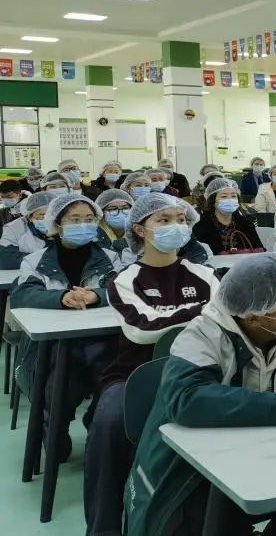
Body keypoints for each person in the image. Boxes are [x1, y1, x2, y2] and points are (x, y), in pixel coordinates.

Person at [124, 254, 276, 536]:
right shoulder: (203, 335)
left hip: (267, 450)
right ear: (254, 316)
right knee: (208, 518)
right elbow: (186, 399)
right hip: (190, 473)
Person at [86, 193, 217, 536]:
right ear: (140, 229)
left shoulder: (204, 274)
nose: (176, 226)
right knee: (109, 422)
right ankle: (104, 526)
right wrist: (201, 311)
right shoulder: (124, 280)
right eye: (164, 220)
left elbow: (222, 319)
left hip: (197, 371)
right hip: (135, 374)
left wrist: (193, 314)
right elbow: (143, 329)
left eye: (181, 220)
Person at [12, 193, 123, 460]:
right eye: (75, 219)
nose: (83, 224)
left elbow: (123, 289)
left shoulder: (110, 258)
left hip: (103, 338)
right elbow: (23, 294)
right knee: (62, 383)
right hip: (55, 343)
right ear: (57, 224)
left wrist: (97, 295)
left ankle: (98, 422)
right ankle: (55, 427)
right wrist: (61, 298)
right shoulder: (35, 260)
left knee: (111, 376)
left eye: (89, 219)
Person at [193, 178, 264, 255]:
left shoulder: (246, 223)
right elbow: (200, 255)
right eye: (224, 196)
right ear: (213, 201)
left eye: (233, 196)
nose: (230, 199)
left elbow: (260, 250)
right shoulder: (201, 227)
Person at [0, 191, 56, 268]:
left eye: (51, 214)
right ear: (29, 216)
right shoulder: (14, 228)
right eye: (41, 214)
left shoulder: (64, 225)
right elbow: (5, 258)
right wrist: (44, 260)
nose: (47, 218)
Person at [96, 188, 134, 252]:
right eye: (113, 209)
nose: (120, 213)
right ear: (102, 212)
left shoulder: (137, 232)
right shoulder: (96, 236)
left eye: (125, 208)